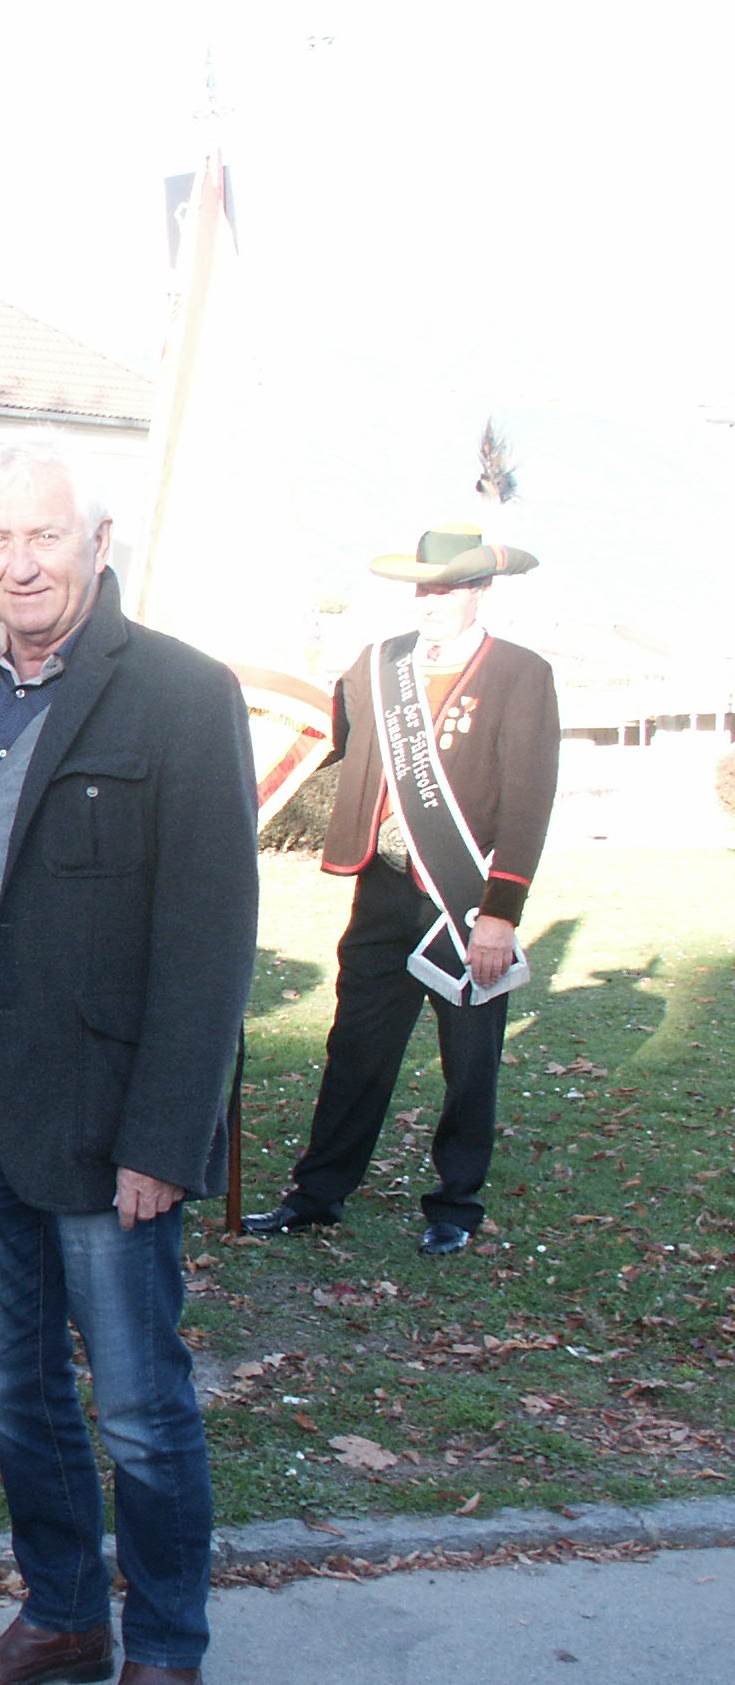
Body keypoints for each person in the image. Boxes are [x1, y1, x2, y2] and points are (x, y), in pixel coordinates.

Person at [0, 443, 257, 1685]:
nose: (19, 564)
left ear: (99, 540)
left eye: (45, 536)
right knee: (11, 1389)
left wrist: (169, 1136)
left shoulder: (180, 694)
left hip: (107, 1134)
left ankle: (164, 1651)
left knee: (142, 1406)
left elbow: (210, 940)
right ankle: (60, 1615)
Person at [245, 528, 558, 1256]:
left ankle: (456, 1204)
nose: (430, 601)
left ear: (480, 591)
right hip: (382, 892)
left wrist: (501, 916)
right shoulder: (378, 665)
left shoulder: (521, 671)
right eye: (422, 586)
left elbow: (529, 800)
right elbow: (329, 744)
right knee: (356, 1049)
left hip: (466, 897)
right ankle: (318, 1194)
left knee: (469, 1061)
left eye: (446, 587)